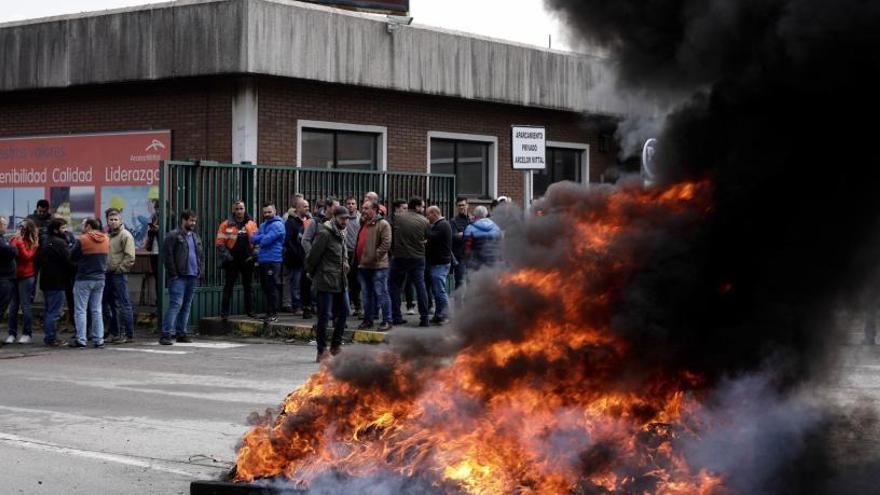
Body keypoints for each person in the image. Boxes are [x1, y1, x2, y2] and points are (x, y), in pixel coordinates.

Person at [306, 205, 350, 362]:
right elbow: (313, 256)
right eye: (342, 219)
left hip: (340, 280)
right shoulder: (325, 234)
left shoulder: (342, 233)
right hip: (325, 280)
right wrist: (312, 273)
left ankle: (336, 345)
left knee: (344, 311)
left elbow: (343, 252)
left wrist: (345, 262)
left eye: (347, 219)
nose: (345, 221)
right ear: (335, 218)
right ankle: (321, 350)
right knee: (324, 317)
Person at [160, 210, 204, 345]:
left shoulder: (195, 237)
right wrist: (174, 274)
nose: (193, 223)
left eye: (195, 221)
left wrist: (200, 270)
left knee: (186, 305)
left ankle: (181, 333)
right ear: (183, 220)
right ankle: (166, 334)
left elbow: (201, 256)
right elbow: (167, 256)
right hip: (179, 277)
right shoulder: (173, 235)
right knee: (176, 305)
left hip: (192, 276)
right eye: (191, 220)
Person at [389, 197, 430, 327]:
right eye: (422, 207)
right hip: (418, 258)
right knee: (420, 286)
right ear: (417, 207)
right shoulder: (424, 221)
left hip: (400, 257)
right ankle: (424, 318)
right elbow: (427, 237)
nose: (423, 209)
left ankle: (396, 316)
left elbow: (391, 238)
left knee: (395, 286)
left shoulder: (398, 219)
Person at [70, 218, 109, 348]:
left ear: (88, 226)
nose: (82, 226)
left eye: (83, 224)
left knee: (81, 310)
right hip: (100, 278)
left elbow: (72, 256)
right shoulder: (106, 239)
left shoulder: (82, 239)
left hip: (84, 278)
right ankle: (99, 340)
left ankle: (81, 339)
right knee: (97, 310)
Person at [216, 200, 257, 320]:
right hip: (232, 259)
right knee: (228, 286)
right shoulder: (226, 224)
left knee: (248, 286)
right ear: (233, 210)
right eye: (237, 209)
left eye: (241, 208)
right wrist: (228, 257)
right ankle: (224, 313)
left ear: (245, 209)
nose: (239, 211)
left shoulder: (251, 224)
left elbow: (257, 240)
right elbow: (220, 243)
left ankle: (250, 311)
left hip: (247, 258)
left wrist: (253, 254)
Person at [36, 219, 75, 346]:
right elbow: (68, 261)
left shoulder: (45, 241)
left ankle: (49, 337)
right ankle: (51, 338)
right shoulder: (60, 243)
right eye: (63, 228)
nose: (66, 230)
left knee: (49, 311)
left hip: (46, 281)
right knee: (54, 312)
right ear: (55, 229)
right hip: (58, 282)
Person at [356, 199, 392, 331]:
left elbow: (386, 244)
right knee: (366, 295)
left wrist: (374, 256)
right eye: (363, 208)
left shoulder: (383, 224)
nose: (363, 211)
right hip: (364, 266)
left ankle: (387, 320)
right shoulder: (364, 223)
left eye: (366, 208)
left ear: (375, 210)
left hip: (378, 266)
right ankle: (368, 320)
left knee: (381, 293)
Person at [104, 208, 136, 344]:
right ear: (107, 221)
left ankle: (128, 334)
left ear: (120, 220)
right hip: (107, 274)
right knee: (111, 305)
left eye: (115, 219)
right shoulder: (107, 236)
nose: (113, 222)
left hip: (119, 274)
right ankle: (115, 332)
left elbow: (130, 257)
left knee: (124, 304)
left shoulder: (125, 235)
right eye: (110, 220)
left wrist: (119, 269)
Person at [6, 219, 39, 344]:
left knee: (25, 306)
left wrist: (19, 242)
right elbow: (11, 253)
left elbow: (27, 256)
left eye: (23, 227)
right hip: (14, 275)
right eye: (19, 227)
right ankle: (11, 333)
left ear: (28, 229)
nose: (20, 229)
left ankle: (27, 333)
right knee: (13, 307)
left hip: (27, 276)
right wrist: (16, 240)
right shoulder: (16, 239)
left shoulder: (33, 241)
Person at [252, 203, 286, 323]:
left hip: (273, 260)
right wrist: (261, 237)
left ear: (275, 211)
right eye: (265, 212)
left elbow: (265, 240)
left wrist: (260, 237)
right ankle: (269, 312)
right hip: (263, 259)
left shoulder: (278, 225)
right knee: (266, 287)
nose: (267, 214)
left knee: (272, 287)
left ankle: (274, 313)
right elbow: (253, 238)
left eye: (269, 212)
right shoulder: (263, 224)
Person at [425, 206, 453, 325]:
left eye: (428, 215)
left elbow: (432, 236)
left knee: (439, 291)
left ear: (434, 213)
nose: (427, 218)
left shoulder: (442, 225)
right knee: (437, 291)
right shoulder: (440, 225)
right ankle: (439, 314)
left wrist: (425, 228)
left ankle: (446, 315)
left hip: (440, 263)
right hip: (438, 262)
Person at [284, 197, 311, 318]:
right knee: (295, 283)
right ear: (298, 208)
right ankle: (297, 306)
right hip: (295, 259)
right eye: (305, 206)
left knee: (306, 284)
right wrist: (297, 254)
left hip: (308, 258)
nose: (307, 208)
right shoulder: (291, 222)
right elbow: (288, 240)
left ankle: (307, 305)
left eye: (308, 206)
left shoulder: (310, 221)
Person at [463, 205, 502, 270]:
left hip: (476, 265)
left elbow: (467, 249)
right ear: (486, 214)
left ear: (475, 215)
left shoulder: (470, 228)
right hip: (494, 263)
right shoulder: (496, 228)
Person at [450, 197, 472, 305]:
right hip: (460, 256)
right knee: (459, 281)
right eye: (459, 205)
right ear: (456, 207)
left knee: (471, 281)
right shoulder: (453, 221)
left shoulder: (472, 220)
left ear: (467, 205)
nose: (461, 207)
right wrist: (468, 234)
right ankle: (458, 305)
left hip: (472, 256)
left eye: (463, 205)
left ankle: (469, 304)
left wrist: (462, 234)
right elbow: (453, 237)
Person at [0, 217, 17, 347]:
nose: (6, 227)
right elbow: (12, 251)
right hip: (3, 278)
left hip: (6, 277)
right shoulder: (1, 241)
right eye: (5, 224)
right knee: (1, 306)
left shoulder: (3, 238)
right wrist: (14, 244)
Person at [343, 196, 362, 317]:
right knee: (345, 280)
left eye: (353, 203)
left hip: (356, 252)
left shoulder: (360, 219)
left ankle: (358, 306)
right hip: (345, 252)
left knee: (356, 281)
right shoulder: (343, 219)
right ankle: (347, 305)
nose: (350, 205)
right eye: (348, 203)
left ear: (356, 205)